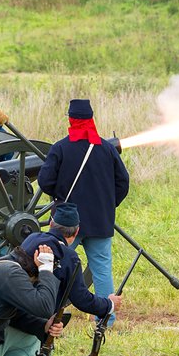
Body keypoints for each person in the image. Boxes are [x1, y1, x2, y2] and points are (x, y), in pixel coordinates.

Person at [8, 202, 122, 356]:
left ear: (51, 223)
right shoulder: (69, 257)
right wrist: (109, 305)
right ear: (76, 232)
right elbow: (82, 300)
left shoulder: (30, 239)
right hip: (41, 317)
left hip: (13, 309)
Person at [38, 99, 130, 326]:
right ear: (91, 119)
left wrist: (60, 198)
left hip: (67, 221)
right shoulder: (107, 149)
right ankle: (105, 319)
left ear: (70, 120)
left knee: (55, 262)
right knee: (101, 269)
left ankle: (47, 312)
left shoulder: (60, 148)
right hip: (101, 220)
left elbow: (44, 181)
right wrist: (108, 205)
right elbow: (123, 182)